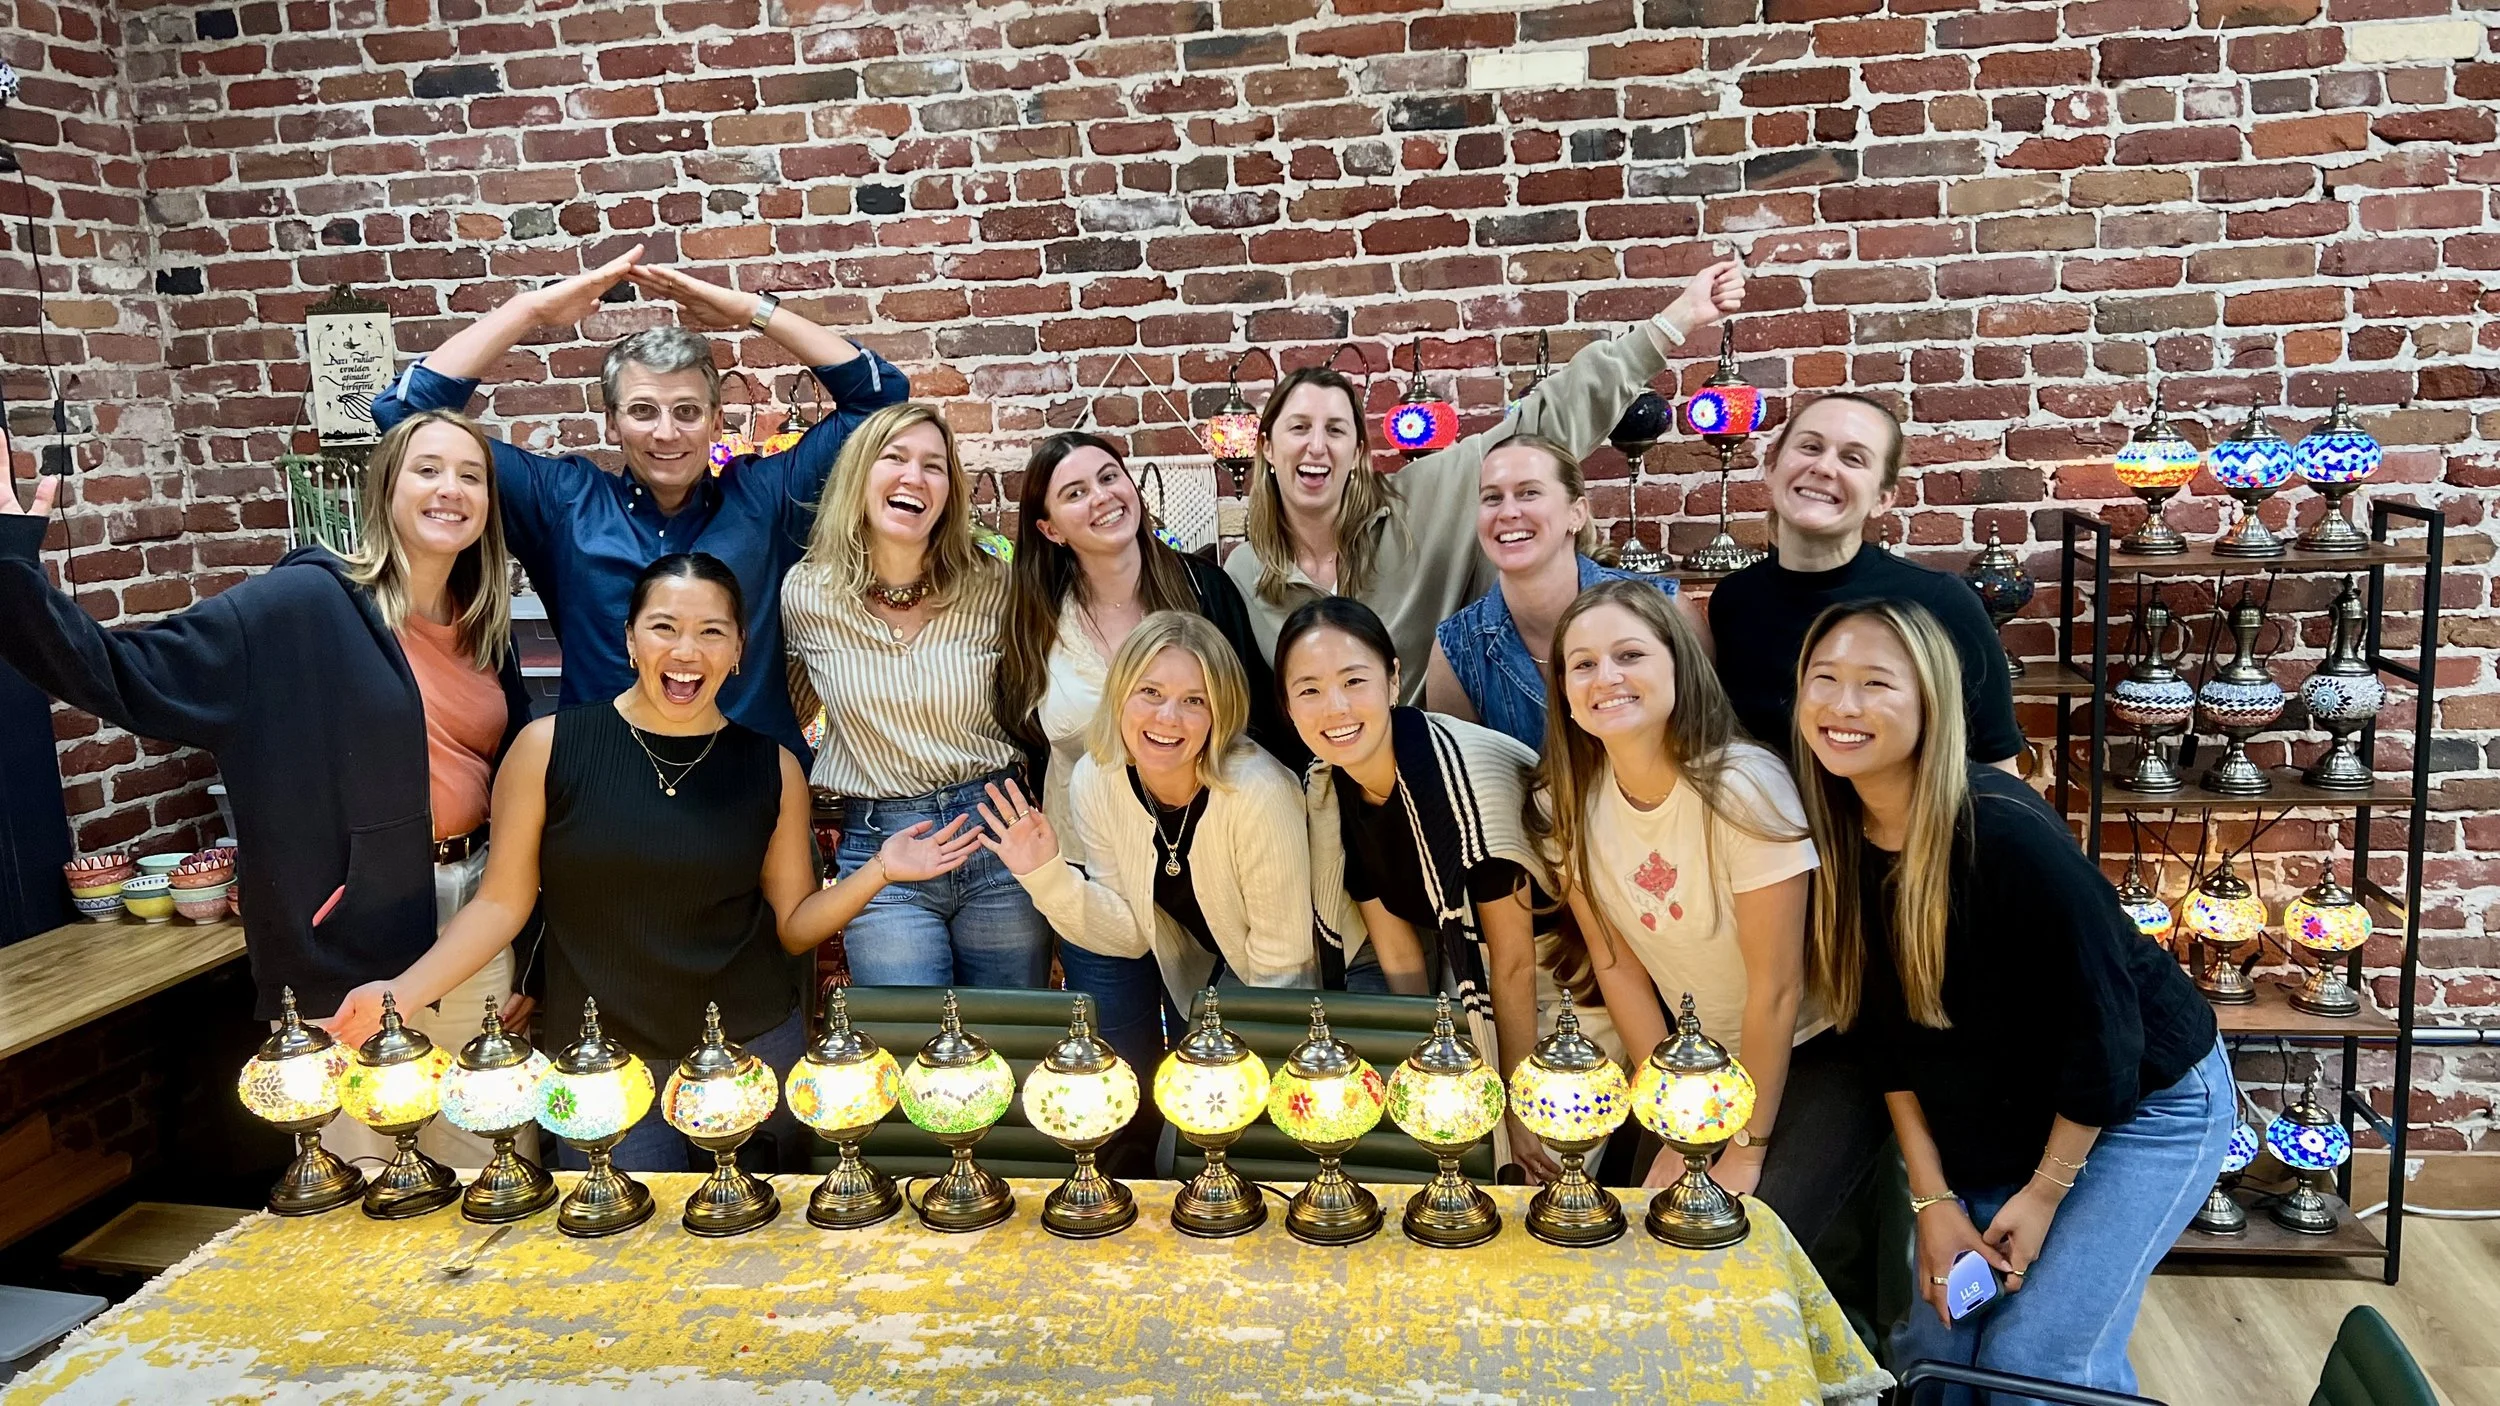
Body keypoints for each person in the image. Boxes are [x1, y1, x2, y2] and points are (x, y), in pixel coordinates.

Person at [326, 554, 982, 1173]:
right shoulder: (548, 749)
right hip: (602, 1063)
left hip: (747, 1055)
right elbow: (501, 903)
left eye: (711, 632)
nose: (686, 651)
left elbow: (795, 926)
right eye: (664, 627)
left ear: (738, 651)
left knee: (750, 1256)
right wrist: (400, 995)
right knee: (618, 1257)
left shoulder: (771, 767)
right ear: (631, 639)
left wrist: (881, 872)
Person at [0, 411, 533, 1166]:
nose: (450, 489)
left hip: (477, 925)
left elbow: (512, 789)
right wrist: (10, 566)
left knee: (496, 1166)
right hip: (356, 942)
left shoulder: (484, 627)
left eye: (470, 475)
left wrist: (529, 951)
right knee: (369, 1180)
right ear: (384, 487)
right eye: (427, 468)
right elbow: (124, 674)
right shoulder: (299, 609)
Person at [1794, 599, 2228, 1395]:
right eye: (1823, 680)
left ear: (1933, 705)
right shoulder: (1837, 835)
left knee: (2035, 1358)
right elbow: (1886, 1043)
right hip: (2003, 1112)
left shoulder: (2006, 835)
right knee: (1940, 1343)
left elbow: (2104, 1041)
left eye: (1875, 685)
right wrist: (1931, 1200)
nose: (1842, 706)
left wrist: (2043, 1195)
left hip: (2143, 1106)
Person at [369, 247, 909, 762]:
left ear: (718, 421)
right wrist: (531, 309)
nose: (667, 433)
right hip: (601, 792)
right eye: (644, 410)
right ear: (612, 422)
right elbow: (406, 413)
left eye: (688, 412)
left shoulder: (764, 501)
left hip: (755, 796)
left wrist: (750, 310)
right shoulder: (565, 506)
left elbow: (879, 398)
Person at [1538, 577, 1882, 1249]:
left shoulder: (1742, 786)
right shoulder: (1568, 802)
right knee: (1638, 1232)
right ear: (1565, 692)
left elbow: (1778, 991)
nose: (1606, 676)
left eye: (1630, 655)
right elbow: (1618, 969)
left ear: (1678, 666)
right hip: (1697, 1059)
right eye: (1582, 664)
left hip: (1817, 1050)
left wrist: (1745, 1146)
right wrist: (1667, 1117)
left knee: (1737, 1240)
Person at [1227, 260, 1746, 700]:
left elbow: (1547, 419)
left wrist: (1677, 320)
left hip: (1439, 752)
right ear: (1268, 447)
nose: (1317, 446)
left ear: (1359, 453)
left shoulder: (1426, 498)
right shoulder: (1244, 572)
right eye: (1299, 428)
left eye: (1335, 430)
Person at [992, 434, 1299, 1103]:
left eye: (1110, 477)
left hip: (1218, 850)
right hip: (1095, 858)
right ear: (1048, 526)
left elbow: (1251, 714)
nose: (1102, 498)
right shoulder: (1036, 620)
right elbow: (1026, 728)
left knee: (1220, 1067)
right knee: (1118, 1070)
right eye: (1076, 492)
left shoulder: (1199, 589)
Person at [979, 613, 1314, 1164]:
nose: (1167, 717)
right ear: (1120, 695)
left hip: (1296, 984)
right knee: (1172, 1151)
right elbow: (1131, 932)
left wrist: (1233, 1079)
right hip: (1212, 975)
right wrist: (1045, 875)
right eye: (1150, 692)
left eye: (1194, 700)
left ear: (1221, 711)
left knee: (1216, 1144)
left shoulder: (1257, 793)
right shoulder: (1098, 777)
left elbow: (1285, 965)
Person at [1279, 595, 1573, 1179]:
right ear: (1287, 707)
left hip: (1560, 986)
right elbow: (1398, 952)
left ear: (1393, 679)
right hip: (1469, 980)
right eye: (1308, 689)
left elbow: (1512, 961)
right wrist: (1421, 1069)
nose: (1333, 708)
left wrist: (1515, 1103)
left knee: (1527, 1168)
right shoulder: (1338, 789)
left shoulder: (1463, 778)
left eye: (1353, 681)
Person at [781, 403, 1050, 989]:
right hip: (884, 848)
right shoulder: (807, 594)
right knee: (910, 1050)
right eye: (895, 458)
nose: (914, 477)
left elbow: (1041, 702)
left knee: (1016, 1041)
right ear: (859, 476)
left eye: (935, 466)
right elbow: (789, 710)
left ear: (950, 491)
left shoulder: (992, 584)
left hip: (997, 832)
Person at [1703, 392, 2023, 771]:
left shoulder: (1940, 602)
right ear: (1772, 466)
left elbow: (1998, 767)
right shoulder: (1735, 601)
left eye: (1852, 458)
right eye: (1810, 446)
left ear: (1883, 499)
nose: (1823, 467)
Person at [1423, 432, 1677, 750]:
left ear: (1577, 513)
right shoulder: (1457, 649)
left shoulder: (1662, 608)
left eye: (1529, 492)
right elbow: (1466, 783)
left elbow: (1708, 737)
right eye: (1492, 497)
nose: (1508, 512)